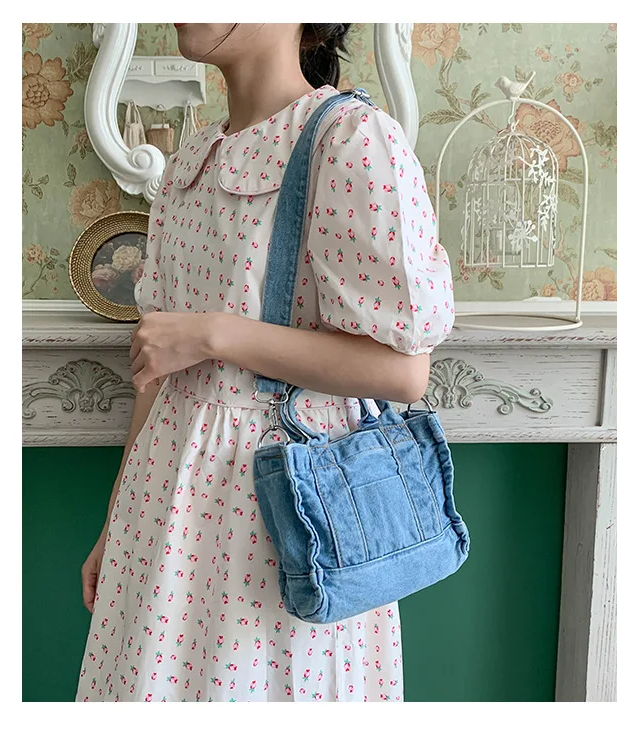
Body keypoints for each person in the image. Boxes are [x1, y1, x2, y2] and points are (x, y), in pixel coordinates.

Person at [76, 22, 455, 702]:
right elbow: (156, 367)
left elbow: (402, 373)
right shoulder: (192, 159)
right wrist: (116, 521)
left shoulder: (349, 140)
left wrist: (216, 334)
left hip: (279, 510)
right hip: (163, 509)